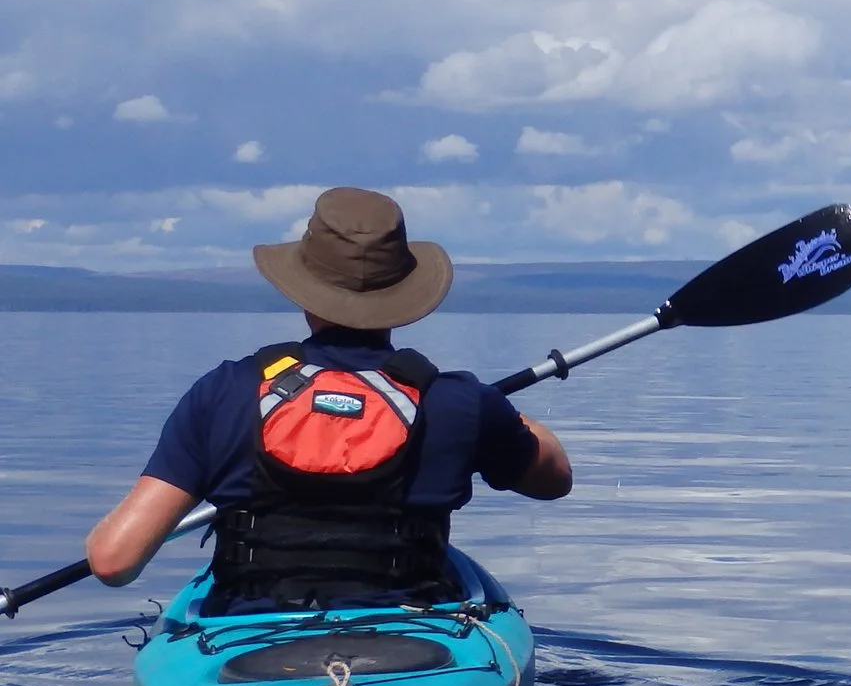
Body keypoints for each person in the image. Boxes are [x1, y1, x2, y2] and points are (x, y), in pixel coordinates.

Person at [84, 187, 571, 613]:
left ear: (304, 290)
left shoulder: (224, 392)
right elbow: (554, 481)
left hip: (246, 643)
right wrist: (496, 412)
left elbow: (113, 561)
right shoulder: (461, 402)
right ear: (404, 294)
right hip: (415, 639)